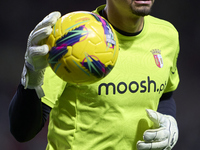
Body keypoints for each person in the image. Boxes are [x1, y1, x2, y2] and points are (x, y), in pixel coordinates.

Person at [9, 0, 180, 150]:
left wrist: (169, 119)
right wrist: (32, 76)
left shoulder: (167, 35)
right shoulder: (70, 38)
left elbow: (165, 94)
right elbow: (22, 132)